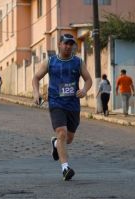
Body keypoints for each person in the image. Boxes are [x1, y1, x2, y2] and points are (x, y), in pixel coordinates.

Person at [32, 34, 92, 181]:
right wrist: (36, 93)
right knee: (62, 132)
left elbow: (88, 79)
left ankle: (55, 143)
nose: (68, 46)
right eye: (66, 44)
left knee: (68, 139)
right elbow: (36, 78)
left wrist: (84, 90)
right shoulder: (50, 62)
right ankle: (65, 168)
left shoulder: (78, 62)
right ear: (59, 44)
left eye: (71, 44)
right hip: (56, 103)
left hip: (73, 105)